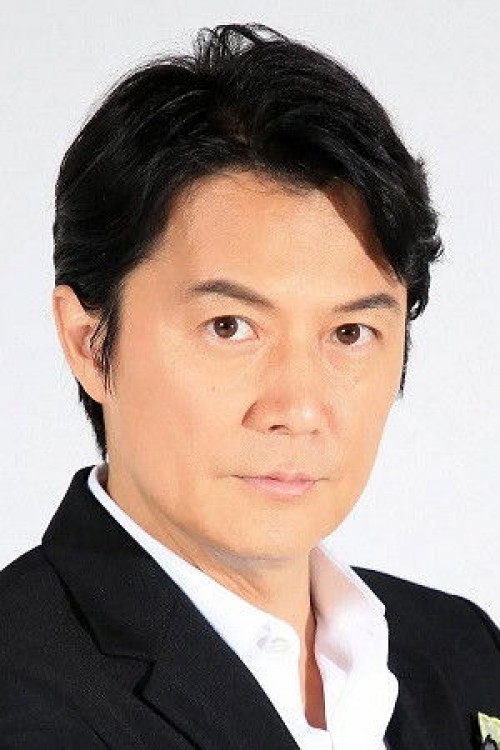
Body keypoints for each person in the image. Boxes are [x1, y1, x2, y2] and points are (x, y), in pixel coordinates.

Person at [0, 22, 498, 750]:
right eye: (230, 327)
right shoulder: (22, 698)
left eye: (350, 333)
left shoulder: (460, 652)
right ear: (88, 342)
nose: (297, 409)